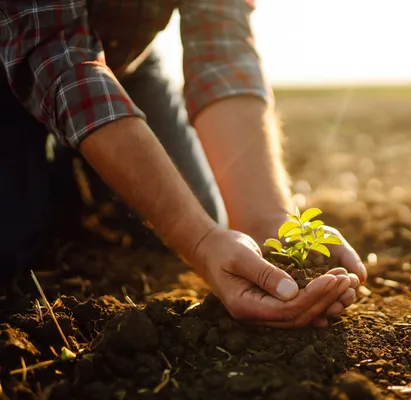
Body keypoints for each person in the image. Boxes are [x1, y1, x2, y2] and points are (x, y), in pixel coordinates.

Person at [0, 1, 367, 328]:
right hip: (20, 60)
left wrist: (266, 220)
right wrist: (200, 240)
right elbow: (59, 58)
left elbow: (222, 52)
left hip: (121, 63)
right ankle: (62, 170)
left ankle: (80, 162)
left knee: (197, 216)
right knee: (14, 245)